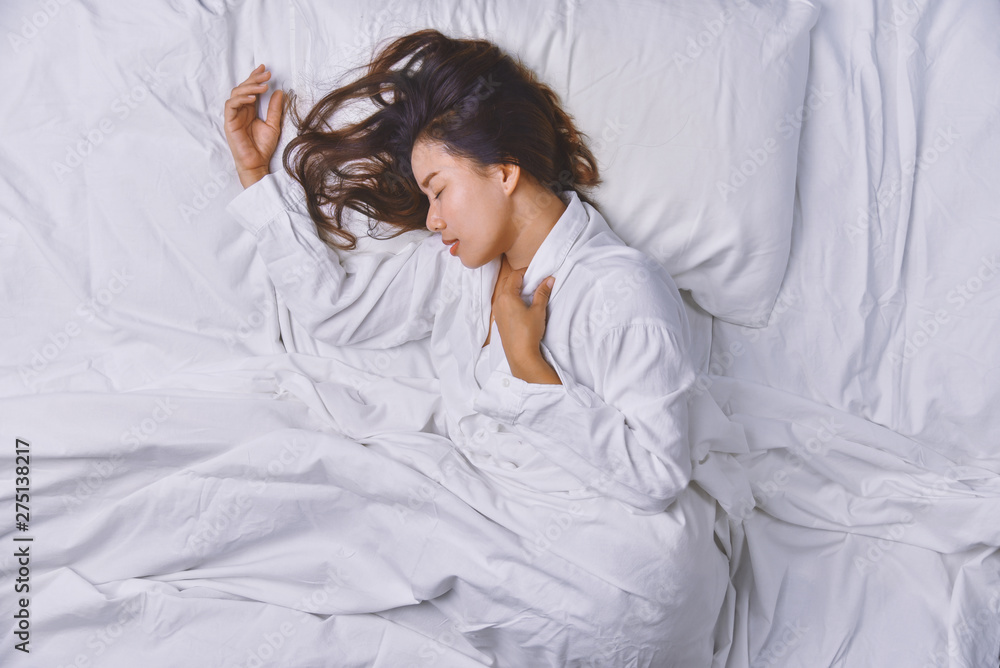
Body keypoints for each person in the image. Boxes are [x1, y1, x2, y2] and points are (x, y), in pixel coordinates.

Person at [223, 28, 742, 667]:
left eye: (438, 190)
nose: (432, 218)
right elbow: (339, 313)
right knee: (306, 516)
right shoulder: (463, 270)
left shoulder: (620, 287)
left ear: (502, 170)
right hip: (519, 544)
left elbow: (657, 475)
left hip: (632, 573)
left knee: (331, 515)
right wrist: (256, 175)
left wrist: (532, 373)